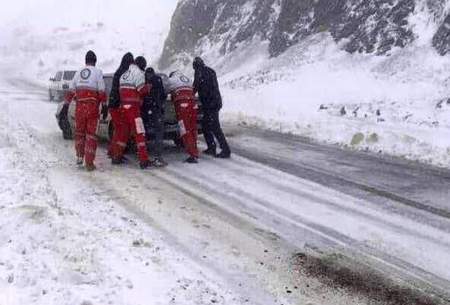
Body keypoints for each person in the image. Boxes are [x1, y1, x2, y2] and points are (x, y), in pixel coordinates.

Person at [64, 50, 106, 171]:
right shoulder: (98, 72)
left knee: (79, 133)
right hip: (92, 107)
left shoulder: (78, 72)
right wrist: (104, 104)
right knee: (91, 135)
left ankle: (79, 157)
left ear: (85, 61)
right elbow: (102, 90)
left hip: (80, 107)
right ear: (95, 61)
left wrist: (66, 104)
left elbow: (71, 90)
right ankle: (89, 163)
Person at [110, 56, 152, 169]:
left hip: (123, 108)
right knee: (140, 133)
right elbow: (141, 90)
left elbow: (120, 91)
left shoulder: (124, 74)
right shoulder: (138, 73)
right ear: (141, 65)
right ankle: (144, 160)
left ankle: (116, 157)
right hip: (134, 110)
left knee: (122, 134)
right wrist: (148, 87)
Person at [193, 57, 230, 158]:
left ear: (195, 66)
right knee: (206, 126)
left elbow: (195, 87)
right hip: (215, 102)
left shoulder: (199, 73)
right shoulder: (210, 71)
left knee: (214, 127)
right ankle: (211, 148)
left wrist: (190, 94)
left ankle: (225, 150)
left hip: (210, 104)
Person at [166, 71, 199, 163]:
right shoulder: (187, 79)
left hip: (183, 105)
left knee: (185, 130)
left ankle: (193, 154)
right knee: (193, 128)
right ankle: (195, 150)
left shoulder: (171, 80)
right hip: (193, 104)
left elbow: (165, 90)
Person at [107, 52, 134, 160]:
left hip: (114, 104)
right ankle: (117, 155)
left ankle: (113, 152)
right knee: (122, 131)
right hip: (117, 105)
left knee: (118, 130)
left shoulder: (119, 72)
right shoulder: (124, 74)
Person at [143, 67, 168, 167]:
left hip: (145, 111)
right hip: (156, 110)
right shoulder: (158, 79)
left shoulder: (143, 80)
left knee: (143, 133)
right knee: (158, 133)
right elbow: (163, 95)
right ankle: (158, 157)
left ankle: (143, 156)